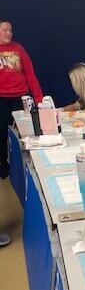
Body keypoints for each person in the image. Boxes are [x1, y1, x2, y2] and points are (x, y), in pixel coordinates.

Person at [0, 19, 43, 178]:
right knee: (1, 135)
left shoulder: (18, 49)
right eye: (4, 30)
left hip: (20, 97)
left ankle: (26, 168)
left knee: (25, 133)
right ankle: (3, 168)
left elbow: (31, 75)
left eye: (10, 30)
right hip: (1, 99)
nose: (8, 33)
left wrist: (39, 100)